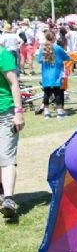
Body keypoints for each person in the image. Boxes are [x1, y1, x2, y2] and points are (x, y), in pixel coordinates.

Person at [0, 43, 25, 218]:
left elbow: (14, 83)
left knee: (6, 155)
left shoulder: (3, 54)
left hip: (6, 112)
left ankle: (8, 198)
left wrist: (19, 113)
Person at [38, 31, 72, 119]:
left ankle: (46, 113)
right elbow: (66, 57)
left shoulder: (42, 48)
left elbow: (39, 60)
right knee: (58, 92)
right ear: (54, 38)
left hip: (46, 74)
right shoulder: (57, 48)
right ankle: (60, 112)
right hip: (56, 73)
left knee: (47, 93)